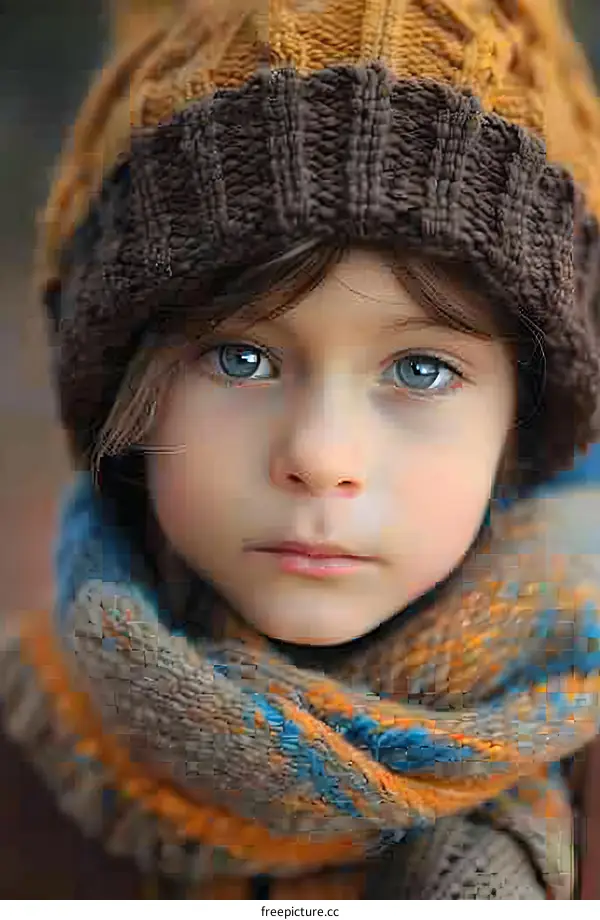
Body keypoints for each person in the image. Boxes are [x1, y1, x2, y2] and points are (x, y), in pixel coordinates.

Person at [1, 0, 600, 899]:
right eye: (242, 358)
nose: (320, 457)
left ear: (524, 418)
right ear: (128, 389)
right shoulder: (22, 776)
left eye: (423, 369)